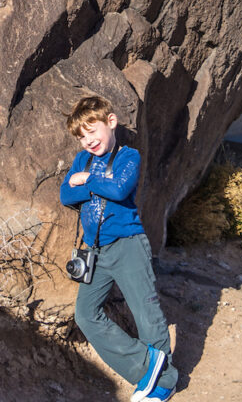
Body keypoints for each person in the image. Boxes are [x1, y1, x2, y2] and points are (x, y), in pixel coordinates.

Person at [59, 95, 178, 401]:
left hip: (128, 246)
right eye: (82, 137)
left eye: (93, 131)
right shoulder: (81, 159)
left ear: (110, 123)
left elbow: (119, 188)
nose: (88, 141)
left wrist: (85, 180)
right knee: (85, 314)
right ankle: (147, 365)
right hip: (95, 251)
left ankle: (164, 382)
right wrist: (91, 179)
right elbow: (65, 195)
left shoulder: (129, 157)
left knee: (145, 313)